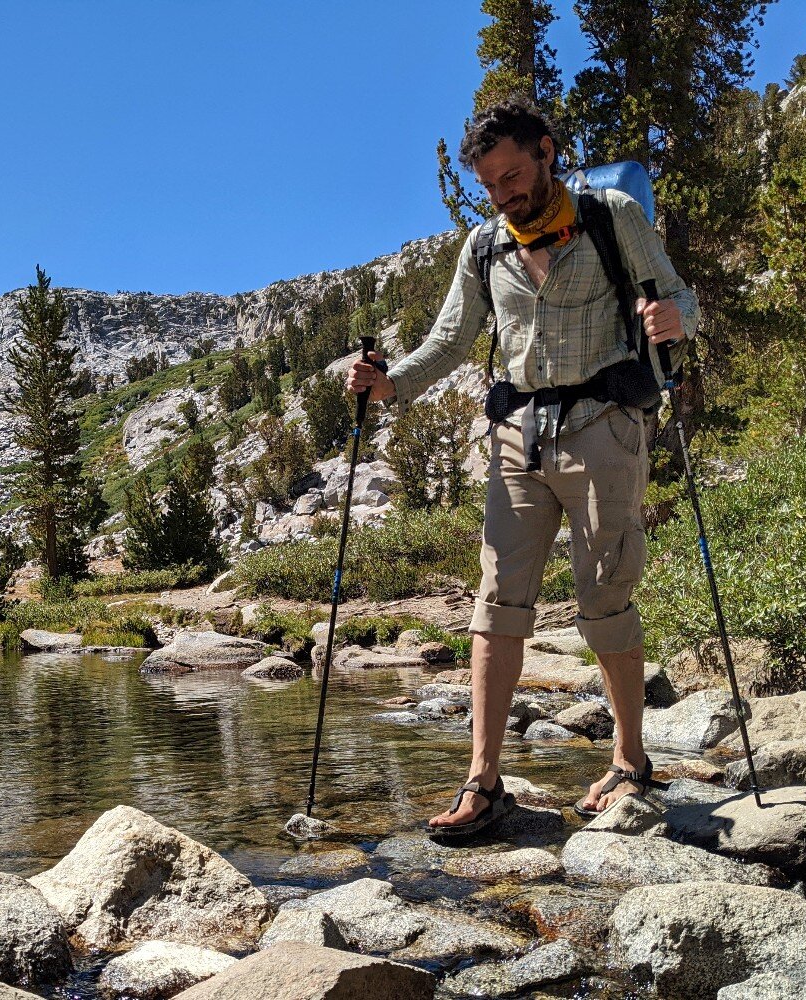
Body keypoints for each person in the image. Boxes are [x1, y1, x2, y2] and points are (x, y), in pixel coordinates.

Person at [346, 100, 698, 836]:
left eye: (511, 175)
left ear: (546, 151)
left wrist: (675, 320)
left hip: (605, 426)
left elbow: (674, 295)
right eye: (489, 184)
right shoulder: (484, 247)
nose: (503, 193)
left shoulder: (612, 215)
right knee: (496, 602)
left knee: (605, 595)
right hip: (516, 436)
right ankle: (483, 780)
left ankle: (630, 760)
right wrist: (390, 383)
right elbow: (449, 340)